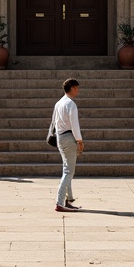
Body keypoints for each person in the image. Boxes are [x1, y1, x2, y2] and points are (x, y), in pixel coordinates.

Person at [49, 77, 83, 212]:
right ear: (73, 88)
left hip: (60, 137)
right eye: (77, 89)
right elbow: (75, 125)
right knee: (69, 171)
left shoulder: (59, 103)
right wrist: (79, 141)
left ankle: (68, 200)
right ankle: (60, 201)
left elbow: (54, 123)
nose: (78, 91)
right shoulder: (70, 104)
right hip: (69, 137)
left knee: (67, 168)